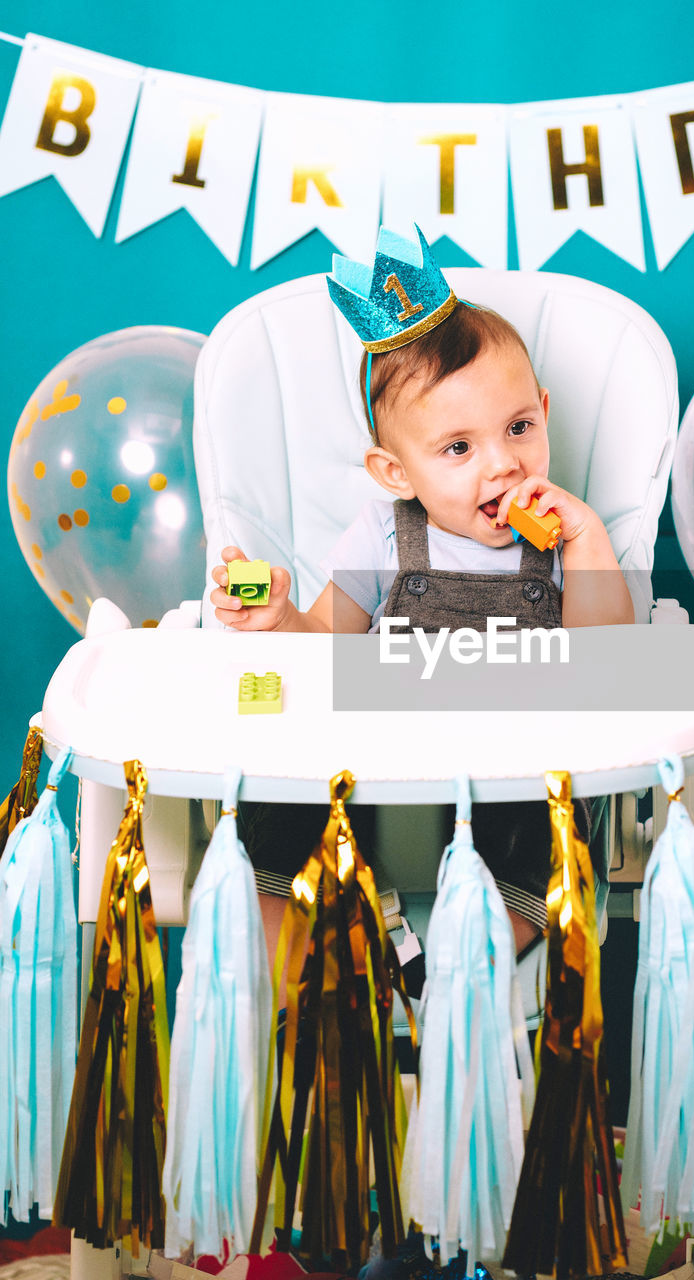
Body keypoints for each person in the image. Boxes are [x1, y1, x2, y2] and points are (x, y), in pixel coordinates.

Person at [209, 226, 634, 962]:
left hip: (507, 776)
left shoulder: (560, 543)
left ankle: (466, 973)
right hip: (371, 771)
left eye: (520, 428)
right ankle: (282, 965)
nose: (503, 465)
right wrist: (279, 619)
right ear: (396, 472)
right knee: (284, 800)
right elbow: (326, 652)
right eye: (459, 448)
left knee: (547, 819)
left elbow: (609, 669)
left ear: (543, 408)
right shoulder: (382, 536)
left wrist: (588, 540)